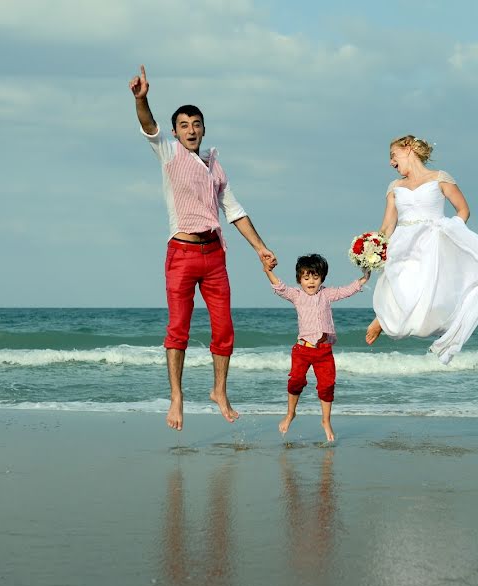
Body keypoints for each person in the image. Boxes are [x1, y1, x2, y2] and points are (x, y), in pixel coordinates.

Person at [129, 64, 277, 431]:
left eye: (196, 124)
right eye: (184, 125)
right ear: (176, 132)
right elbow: (149, 127)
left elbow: (234, 210)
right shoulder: (169, 153)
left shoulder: (214, 165)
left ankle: (219, 391)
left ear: (203, 129)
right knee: (178, 328)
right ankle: (177, 397)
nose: (191, 130)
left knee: (224, 328)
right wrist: (142, 99)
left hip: (214, 255)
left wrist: (260, 248)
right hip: (181, 253)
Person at [365, 135, 478, 364]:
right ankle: (383, 319)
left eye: (392, 155)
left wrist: (451, 232)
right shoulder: (395, 187)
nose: (390, 162)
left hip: (432, 241)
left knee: (431, 292)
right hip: (403, 243)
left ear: (407, 149)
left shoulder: (440, 178)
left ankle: (422, 327)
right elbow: (388, 225)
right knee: (402, 286)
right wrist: (372, 251)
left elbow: (463, 210)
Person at [263, 254, 370, 441]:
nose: (311, 281)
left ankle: (326, 421)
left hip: (324, 350)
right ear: (299, 279)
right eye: (306, 277)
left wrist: (364, 277)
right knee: (296, 380)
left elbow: (347, 290)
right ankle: (290, 414)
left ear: (322, 278)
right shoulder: (296, 295)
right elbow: (280, 287)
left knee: (327, 386)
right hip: (302, 349)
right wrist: (268, 271)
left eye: (315, 277)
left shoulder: (327, 294)